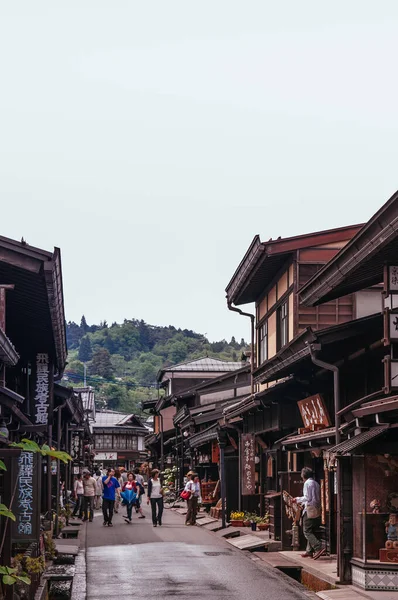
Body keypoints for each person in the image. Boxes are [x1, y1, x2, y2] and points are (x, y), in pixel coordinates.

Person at [295, 467, 325, 560]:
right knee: (312, 530)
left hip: (310, 509)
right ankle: (309, 551)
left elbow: (307, 497)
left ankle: (318, 547)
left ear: (304, 475)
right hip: (317, 508)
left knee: (306, 530)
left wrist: (297, 499)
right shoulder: (316, 483)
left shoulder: (307, 483)